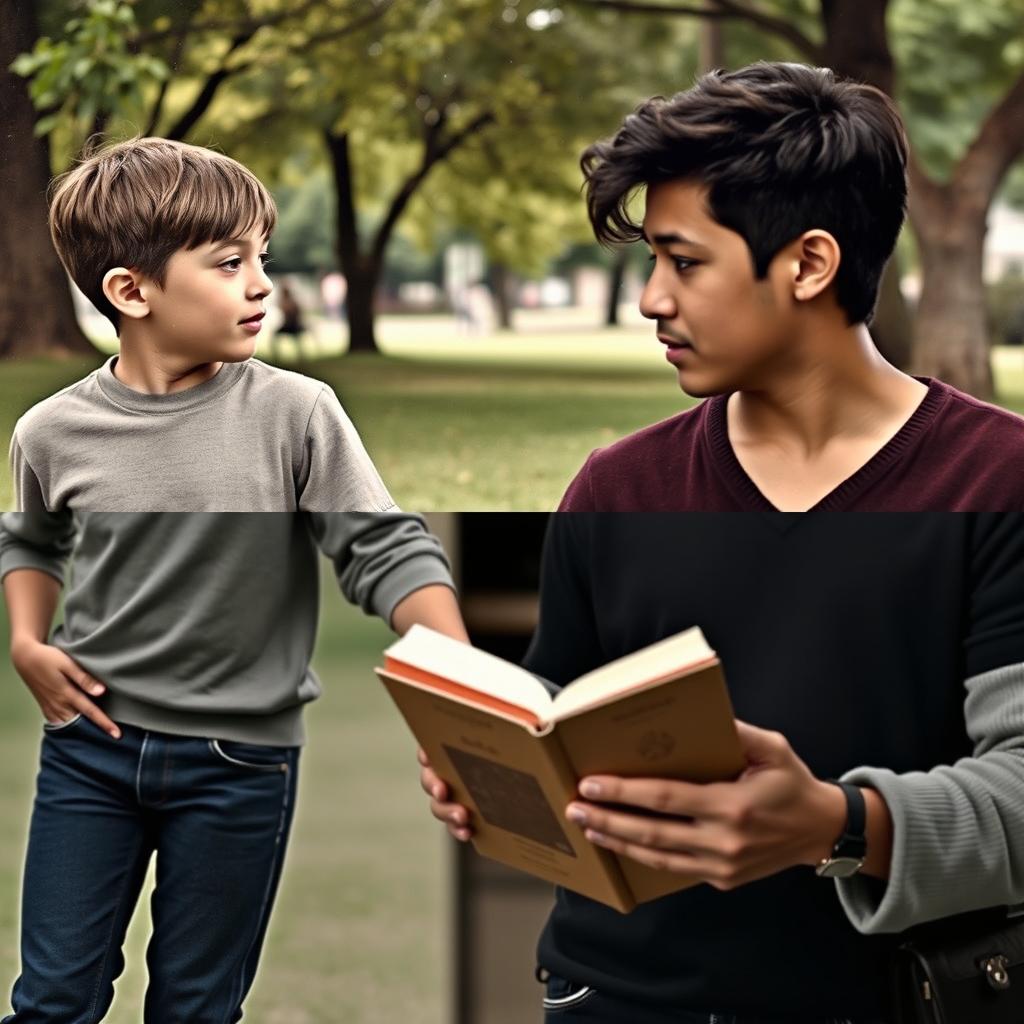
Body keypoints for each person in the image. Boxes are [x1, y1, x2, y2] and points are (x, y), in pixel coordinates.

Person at [421, 512, 1024, 1022]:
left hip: (883, 998)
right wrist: (494, 776)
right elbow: (561, 729)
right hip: (605, 996)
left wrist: (839, 826)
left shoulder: (995, 477)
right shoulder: (613, 482)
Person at [0, 510, 468, 1022]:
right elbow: (31, 538)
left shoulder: (296, 426)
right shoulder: (52, 428)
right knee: (51, 1005)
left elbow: (382, 543)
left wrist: (469, 693)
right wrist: (27, 640)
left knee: (196, 1011)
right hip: (88, 750)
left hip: (236, 764)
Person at [555, 62, 1024, 511]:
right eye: (654, 260)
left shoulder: (1002, 481)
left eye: (685, 261)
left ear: (808, 266)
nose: (650, 302)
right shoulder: (615, 493)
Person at [9, 137, 390, 512]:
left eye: (262, 258)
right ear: (132, 293)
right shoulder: (45, 437)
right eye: (231, 263)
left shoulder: (298, 412)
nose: (263, 285)